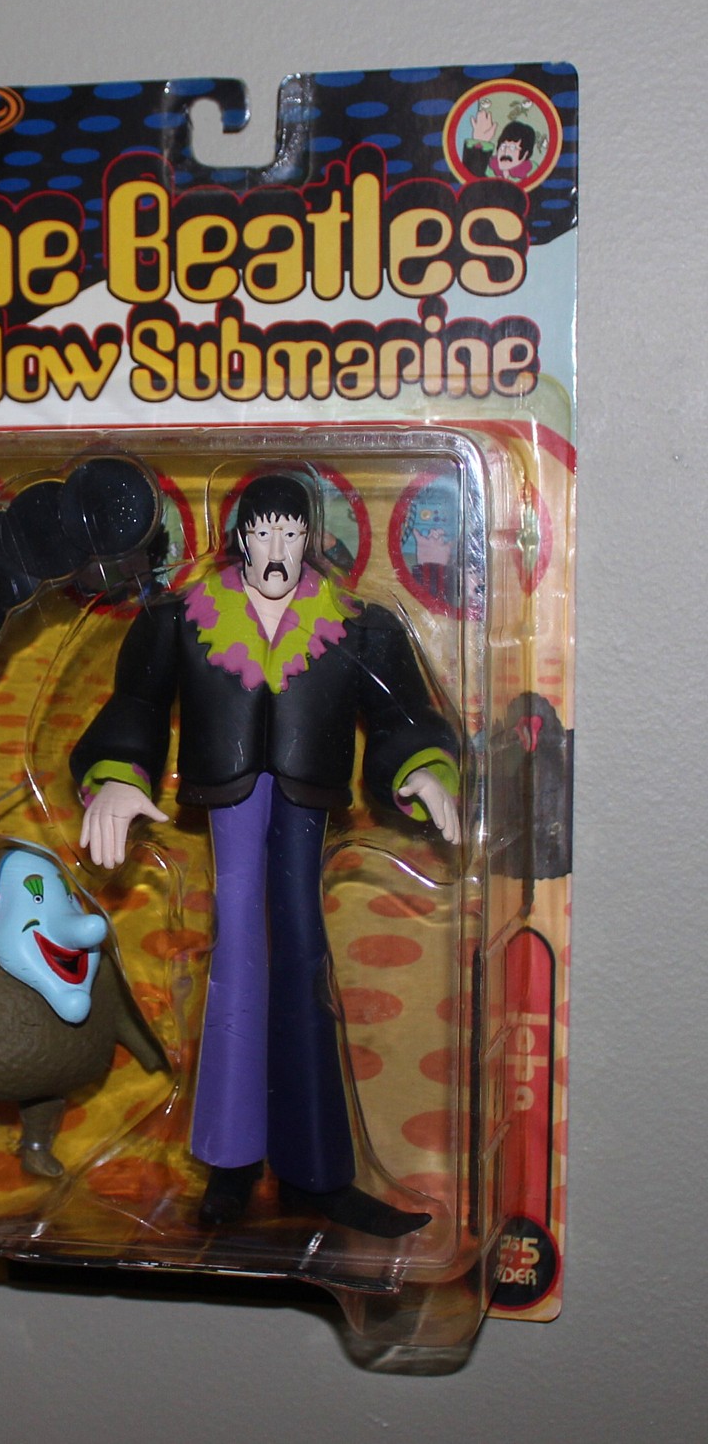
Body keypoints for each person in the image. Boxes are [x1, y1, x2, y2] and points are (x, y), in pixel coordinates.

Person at [70, 471, 460, 1235]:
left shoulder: (358, 625)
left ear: (310, 538)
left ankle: (317, 1170)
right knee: (239, 949)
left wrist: (421, 769)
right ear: (239, 538)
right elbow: (136, 704)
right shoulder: (180, 620)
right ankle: (232, 1160)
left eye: (290, 532)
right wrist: (117, 776)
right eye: (263, 532)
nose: (276, 548)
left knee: (304, 950)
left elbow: (402, 711)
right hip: (228, 797)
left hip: (310, 798)